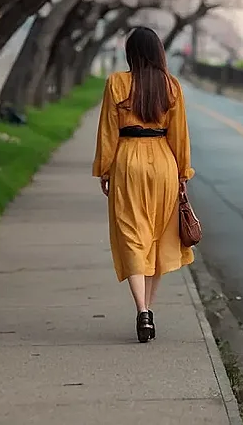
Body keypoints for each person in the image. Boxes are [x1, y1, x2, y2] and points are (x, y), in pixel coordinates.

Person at [92, 25, 195, 343]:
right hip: (163, 162)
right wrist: (183, 174)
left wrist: (105, 170)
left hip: (128, 161)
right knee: (159, 236)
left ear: (131, 53)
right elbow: (180, 135)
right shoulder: (171, 86)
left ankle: (142, 310)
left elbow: (108, 131)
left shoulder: (116, 83)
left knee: (131, 234)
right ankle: (149, 309)